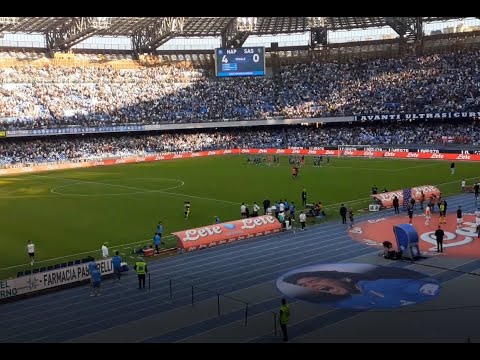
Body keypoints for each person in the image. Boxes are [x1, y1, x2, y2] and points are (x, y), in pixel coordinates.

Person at [280, 264, 440, 309]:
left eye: (313, 281)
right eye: (307, 286)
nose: (313, 287)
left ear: (340, 277)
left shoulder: (383, 284)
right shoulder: (341, 303)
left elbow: (426, 290)